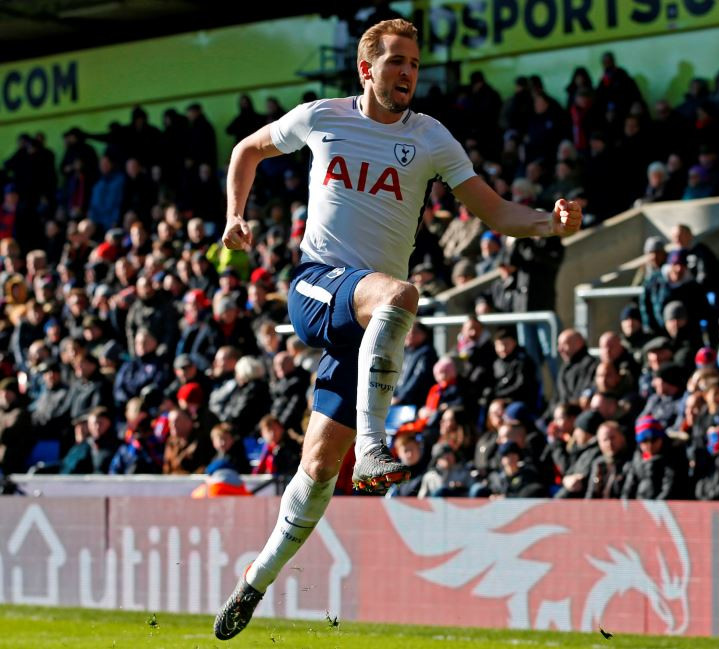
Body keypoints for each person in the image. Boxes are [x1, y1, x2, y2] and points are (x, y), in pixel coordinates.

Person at [213, 19, 581, 640]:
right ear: (367, 70)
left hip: (370, 320)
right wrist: (234, 218)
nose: (408, 73)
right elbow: (245, 150)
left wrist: (550, 223)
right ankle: (375, 445)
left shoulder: (431, 137)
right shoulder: (321, 116)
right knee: (404, 293)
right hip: (318, 285)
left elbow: (492, 210)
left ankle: (256, 579)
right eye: (396, 62)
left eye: (413, 63)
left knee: (320, 465)